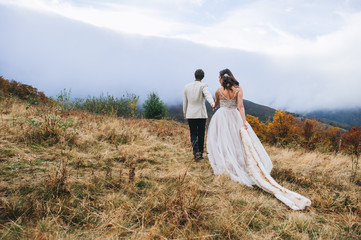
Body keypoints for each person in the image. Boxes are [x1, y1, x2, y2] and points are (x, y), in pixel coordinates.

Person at [206, 70, 311, 210]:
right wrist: (243, 122)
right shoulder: (238, 90)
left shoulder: (218, 91)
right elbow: (241, 107)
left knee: (224, 141)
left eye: (218, 77)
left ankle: (228, 164)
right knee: (237, 142)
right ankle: (238, 163)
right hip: (234, 117)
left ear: (221, 79)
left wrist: (214, 105)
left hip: (222, 118)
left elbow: (216, 104)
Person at [183, 69, 215, 161]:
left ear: (194, 76)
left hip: (191, 114)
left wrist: (185, 113)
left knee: (193, 133)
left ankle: (195, 151)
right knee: (201, 134)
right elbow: (208, 95)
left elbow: (185, 102)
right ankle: (200, 153)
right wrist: (212, 103)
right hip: (201, 114)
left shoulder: (187, 87)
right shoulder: (203, 86)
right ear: (202, 77)